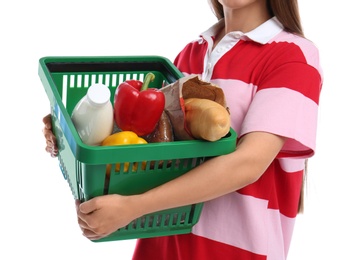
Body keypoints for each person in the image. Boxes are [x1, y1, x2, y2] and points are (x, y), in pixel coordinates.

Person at [42, 0, 323, 259]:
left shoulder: (293, 56)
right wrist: (71, 133)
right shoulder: (190, 54)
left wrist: (133, 207)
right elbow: (147, 154)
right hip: (161, 249)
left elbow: (248, 164)